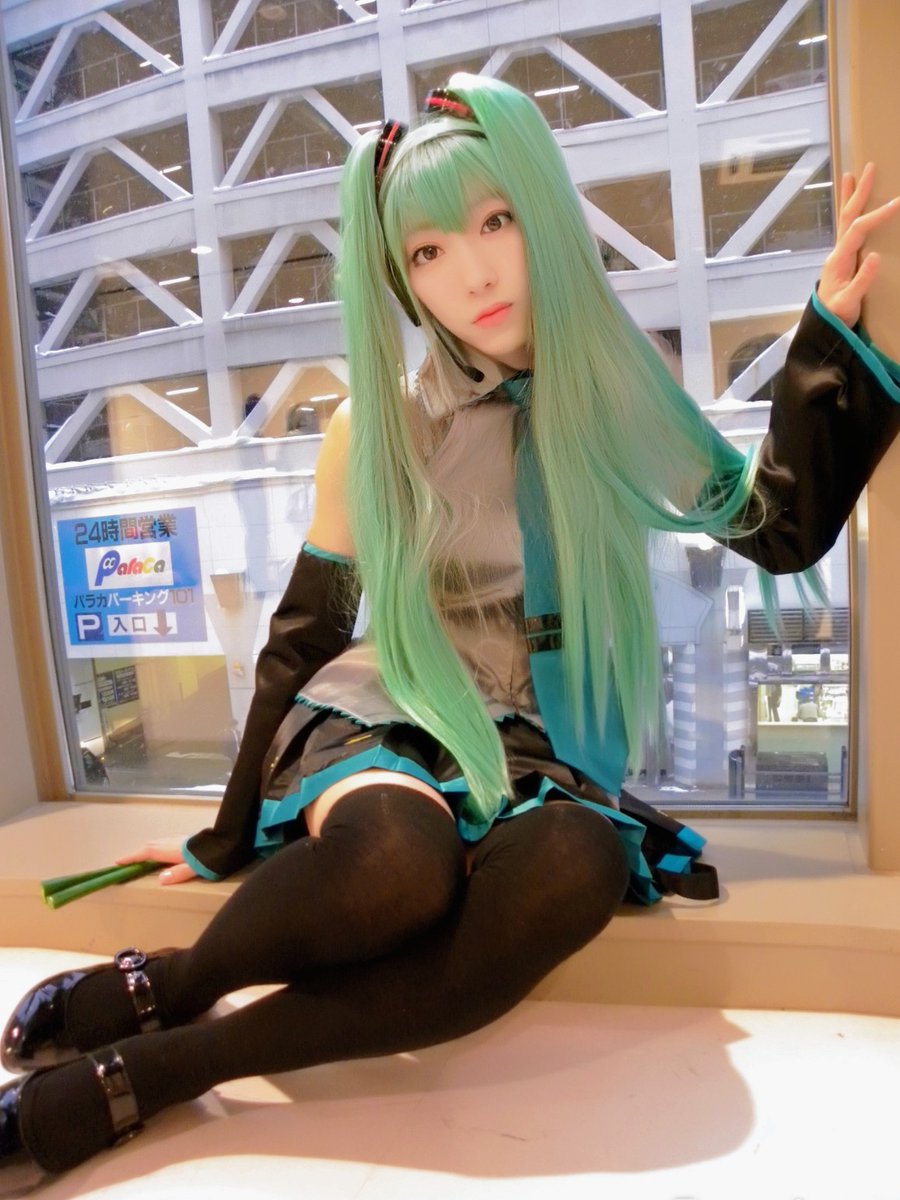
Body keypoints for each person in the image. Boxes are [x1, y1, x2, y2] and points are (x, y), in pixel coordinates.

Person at [2, 74, 899, 1189]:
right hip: (393, 705)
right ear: (401, 278)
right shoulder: (376, 427)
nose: (470, 273)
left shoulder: (619, 388)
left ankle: (167, 1066)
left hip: (534, 743)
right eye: (427, 251)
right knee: (398, 865)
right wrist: (222, 836)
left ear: (542, 218)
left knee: (578, 863)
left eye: (495, 221)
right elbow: (306, 629)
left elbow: (774, 526)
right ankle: (172, 989)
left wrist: (828, 339)